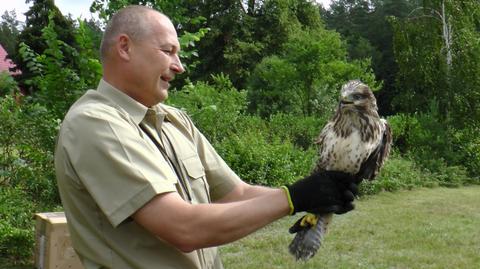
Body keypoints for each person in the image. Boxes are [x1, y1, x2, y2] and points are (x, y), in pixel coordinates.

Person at [54, 5, 357, 269]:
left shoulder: (174, 120)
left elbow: (236, 193)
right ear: (124, 47)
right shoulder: (95, 123)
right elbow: (182, 228)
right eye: (168, 51)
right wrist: (292, 199)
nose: (179, 66)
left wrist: (315, 193)